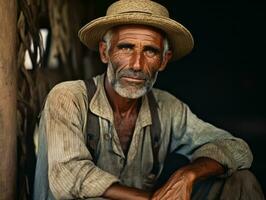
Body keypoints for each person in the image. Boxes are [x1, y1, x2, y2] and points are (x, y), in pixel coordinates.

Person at [34, 0, 265, 199]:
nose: (137, 64)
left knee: (242, 182)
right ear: (105, 53)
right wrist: (155, 198)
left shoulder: (166, 107)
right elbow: (70, 175)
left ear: (164, 60)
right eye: (126, 47)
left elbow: (237, 149)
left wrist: (188, 175)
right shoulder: (68, 97)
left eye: (150, 51)